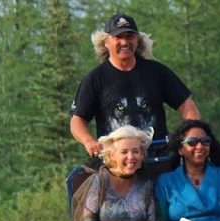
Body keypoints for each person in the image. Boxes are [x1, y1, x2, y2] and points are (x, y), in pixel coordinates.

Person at [69, 12, 200, 170]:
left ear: (137, 40)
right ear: (106, 42)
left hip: (157, 158)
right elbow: (77, 121)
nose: (125, 42)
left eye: (130, 36)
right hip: (116, 164)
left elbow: (187, 106)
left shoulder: (157, 72)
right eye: (118, 37)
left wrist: (190, 136)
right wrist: (89, 141)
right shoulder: (95, 79)